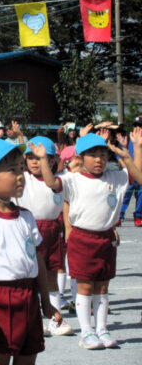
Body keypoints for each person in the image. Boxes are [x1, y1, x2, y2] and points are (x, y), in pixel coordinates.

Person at [34, 131, 142, 349]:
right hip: (82, 238)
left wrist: (134, 150)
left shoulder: (116, 177)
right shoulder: (73, 179)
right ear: (81, 158)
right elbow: (50, 183)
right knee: (84, 286)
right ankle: (87, 331)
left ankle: (102, 328)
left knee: (102, 287)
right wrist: (44, 160)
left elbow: (138, 177)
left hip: (107, 238)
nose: (99, 159)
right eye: (93, 155)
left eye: (103, 154)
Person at [0, 138, 61, 364]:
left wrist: (45, 300)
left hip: (28, 296)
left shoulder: (26, 216)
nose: (20, 175)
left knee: (28, 356)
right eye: (12, 170)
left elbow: (37, 262)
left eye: (21, 168)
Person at [16, 136, 74, 337]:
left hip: (52, 230)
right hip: (27, 230)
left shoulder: (62, 179)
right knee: (29, 276)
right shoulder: (22, 177)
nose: (34, 161)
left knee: (51, 275)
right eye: (30, 157)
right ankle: (32, 320)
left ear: (52, 160)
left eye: (41, 157)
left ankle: (55, 319)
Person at [121, 117, 142, 226]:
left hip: (141, 173)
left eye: (140, 126)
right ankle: (120, 215)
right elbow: (120, 153)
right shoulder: (128, 139)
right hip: (130, 171)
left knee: (141, 194)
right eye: (136, 126)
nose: (138, 128)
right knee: (126, 193)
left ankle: (138, 215)